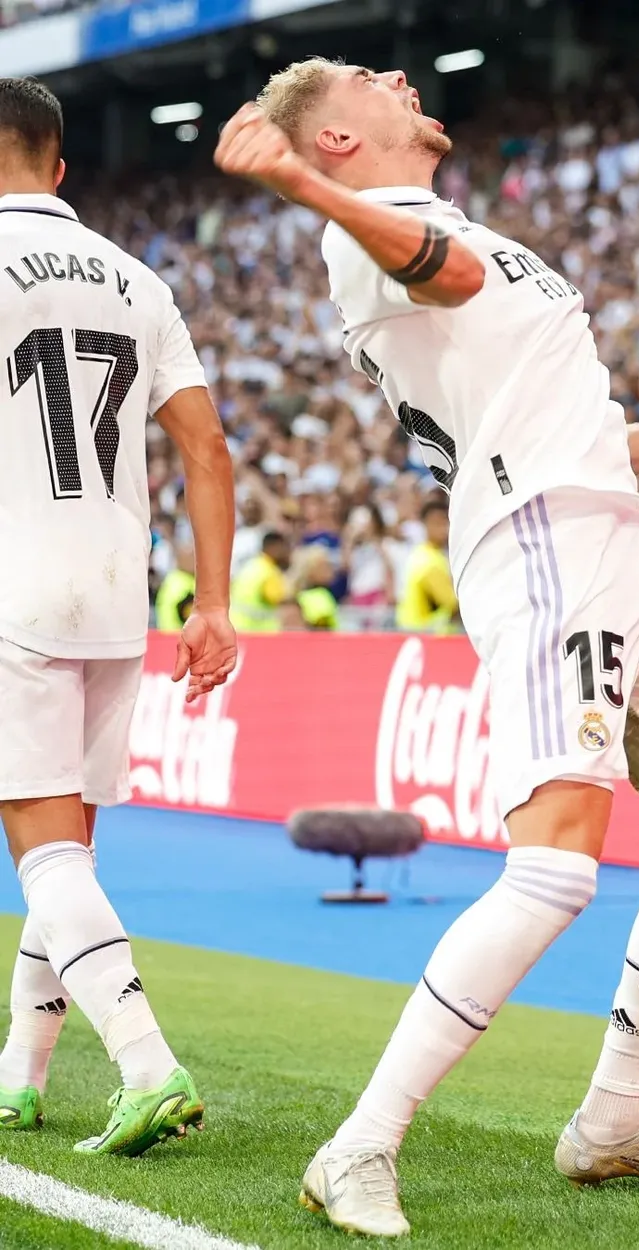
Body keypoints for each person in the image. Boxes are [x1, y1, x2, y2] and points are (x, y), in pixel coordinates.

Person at [215, 60, 639, 1239]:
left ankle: (614, 1117)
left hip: (604, 532)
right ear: (337, 142)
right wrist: (303, 187)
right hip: (545, 543)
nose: (398, 75)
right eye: (367, 77)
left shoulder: (430, 224)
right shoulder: (369, 231)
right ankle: (360, 1142)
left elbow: (537, 418)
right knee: (554, 869)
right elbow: (449, 276)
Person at [0, 78, 237, 1153]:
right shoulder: (138, 279)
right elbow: (206, 448)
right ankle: (19, 1074)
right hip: (114, 589)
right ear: (59, 168)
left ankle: (147, 1065)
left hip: (15, 581)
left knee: (44, 854)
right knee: (69, 855)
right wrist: (213, 603)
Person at [396, 499, 459, 633]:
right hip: (425, 633)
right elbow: (452, 604)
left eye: (446, 523)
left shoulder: (419, 553)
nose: (444, 529)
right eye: (437, 523)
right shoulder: (430, 561)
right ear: (425, 525)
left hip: (409, 630)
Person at [229, 530, 291, 631]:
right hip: (259, 630)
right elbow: (277, 598)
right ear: (274, 547)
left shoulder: (250, 565)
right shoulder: (269, 571)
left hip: (237, 626)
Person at [154, 542, 196, 632]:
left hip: (166, 633)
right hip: (178, 635)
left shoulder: (172, 579)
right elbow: (191, 615)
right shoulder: (182, 586)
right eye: (192, 556)